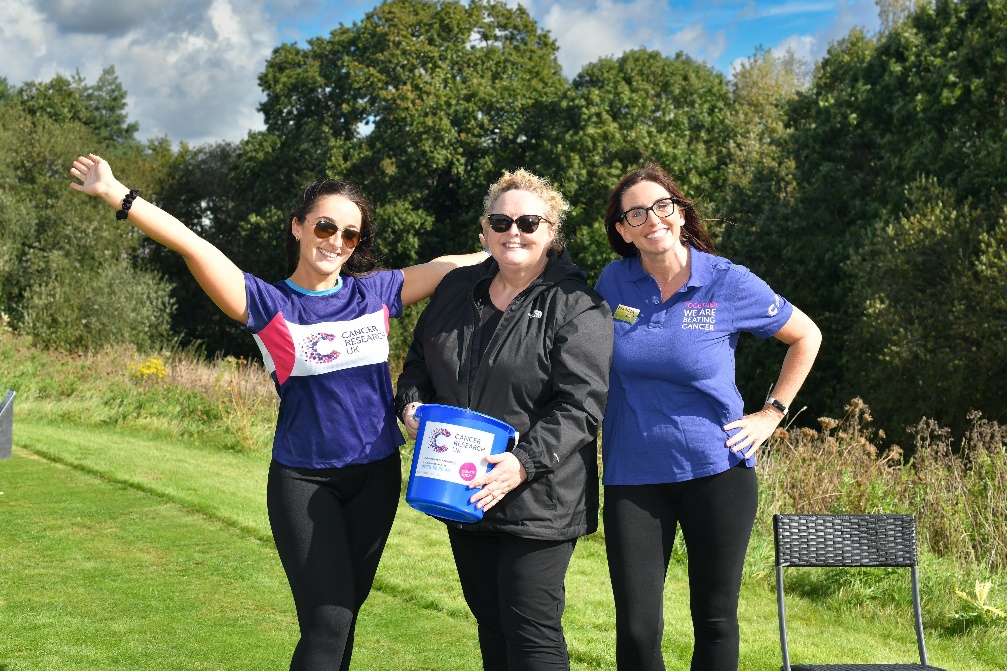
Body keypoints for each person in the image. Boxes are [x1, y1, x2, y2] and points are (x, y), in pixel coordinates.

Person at [69, 153, 488, 671]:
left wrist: (513, 242)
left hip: (376, 477)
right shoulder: (267, 304)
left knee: (340, 618)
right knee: (328, 621)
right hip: (305, 483)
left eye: (350, 234)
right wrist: (118, 195)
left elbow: (450, 265)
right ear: (298, 226)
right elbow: (192, 244)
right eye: (326, 226)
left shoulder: (375, 292)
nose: (336, 241)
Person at [594, 164, 822, 671]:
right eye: (636, 213)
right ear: (623, 230)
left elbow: (807, 335)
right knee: (636, 626)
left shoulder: (728, 280)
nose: (652, 219)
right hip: (634, 475)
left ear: (679, 212)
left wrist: (771, 414)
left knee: (716, 619)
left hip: (718, 471)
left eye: (661, 207)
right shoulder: (613, 282)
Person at [394, 169, 612, 671]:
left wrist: (522, 462)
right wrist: (410, 405)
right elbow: (420, 365)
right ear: (484, 232)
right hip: (460, 486)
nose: (514, 231)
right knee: (490, 624)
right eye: (502, 221)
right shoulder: (455, 289)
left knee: (530, 630)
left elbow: (581, 405)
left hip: (540, 496)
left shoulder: (579, 305)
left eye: (529, 222)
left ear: (551, 232)